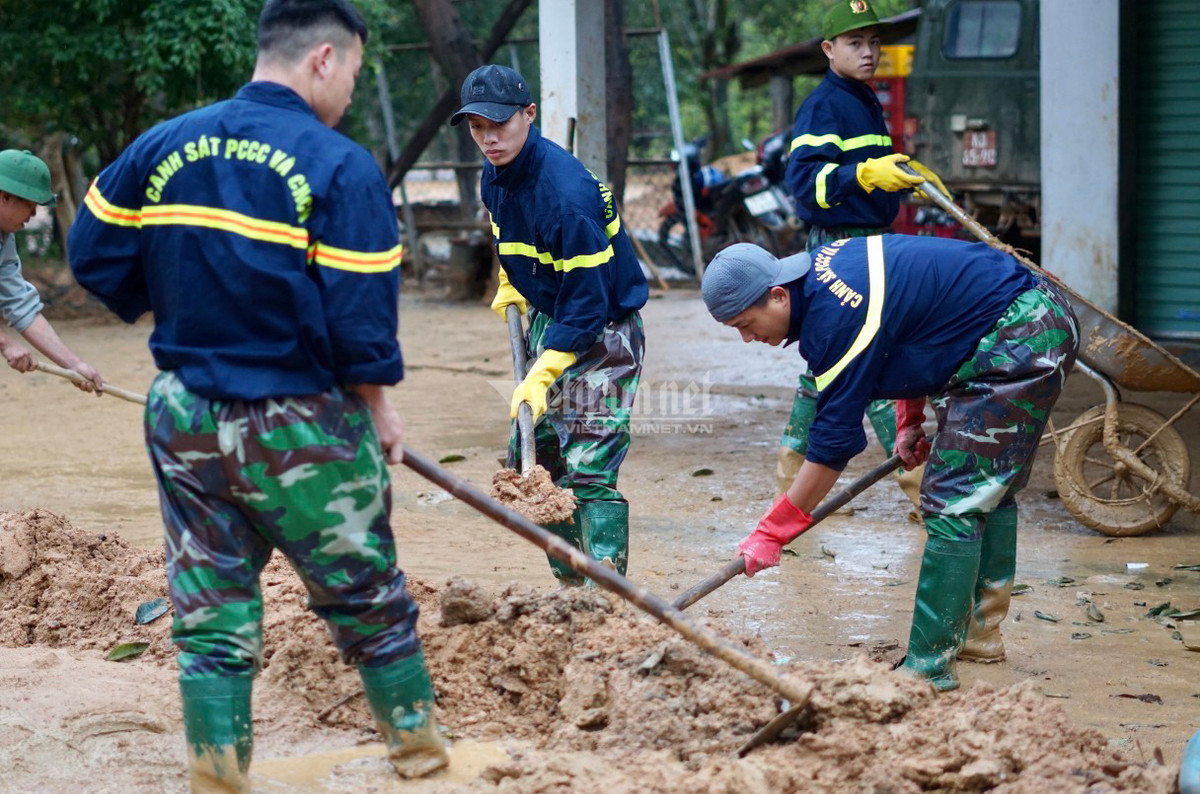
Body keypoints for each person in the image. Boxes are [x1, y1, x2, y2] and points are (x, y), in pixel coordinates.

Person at [68, 1, 449, 788]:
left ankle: (217, 775)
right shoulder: (338, 165)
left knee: (210, 611)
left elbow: (91, 251)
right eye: (352, 71)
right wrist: (378, 408)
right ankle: (421, 757)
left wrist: (183, 304)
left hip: (182, 411)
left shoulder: (161, 144)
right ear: (323, 60)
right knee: (368, 598)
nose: (348, 89)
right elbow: (360, 319)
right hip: (296, 421)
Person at [701, 236, 1078, 691]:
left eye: (746, 323)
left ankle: (929, 668)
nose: (746, 339)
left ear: (779, 295)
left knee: (954, 500)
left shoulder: (833, 317)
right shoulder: (824, 280)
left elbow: (833, 444)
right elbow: (906, 328)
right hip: (1011, 320)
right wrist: (909, 420)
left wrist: (773, 531)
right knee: (984, 489)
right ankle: (977, 636)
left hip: (1019, 333)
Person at [451, 64, 649, 584]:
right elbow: (506, 230)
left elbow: (589, 303)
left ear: (529, 114)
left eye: (499, 123)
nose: (489, 138)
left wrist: (542, 373)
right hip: (552, 317)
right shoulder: (493, 175)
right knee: (533, 462)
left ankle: (608, 601)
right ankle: (570, 586)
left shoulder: (566, 197)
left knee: (588, 467)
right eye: (476, 127)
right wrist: (514, 278)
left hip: (605, 330)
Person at [777, 0, 949, 505]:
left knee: (824, 369)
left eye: (874, 43)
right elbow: (805, 187)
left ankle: (791, 485)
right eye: (855, 43)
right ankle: (923, 490)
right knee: (874, 356)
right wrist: (867, 175)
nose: (869, 52)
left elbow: (869, 171)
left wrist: (900, 183)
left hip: (867, 240)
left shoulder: (862, 99)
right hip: (841, 247)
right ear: (829, 49)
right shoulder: (825, 105)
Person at [0, 149, 102, 391]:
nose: (34, 215)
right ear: (4, 197)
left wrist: (73, 365)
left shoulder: (5, 239)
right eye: (30, 205)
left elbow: (20, 305)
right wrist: (5, 343)